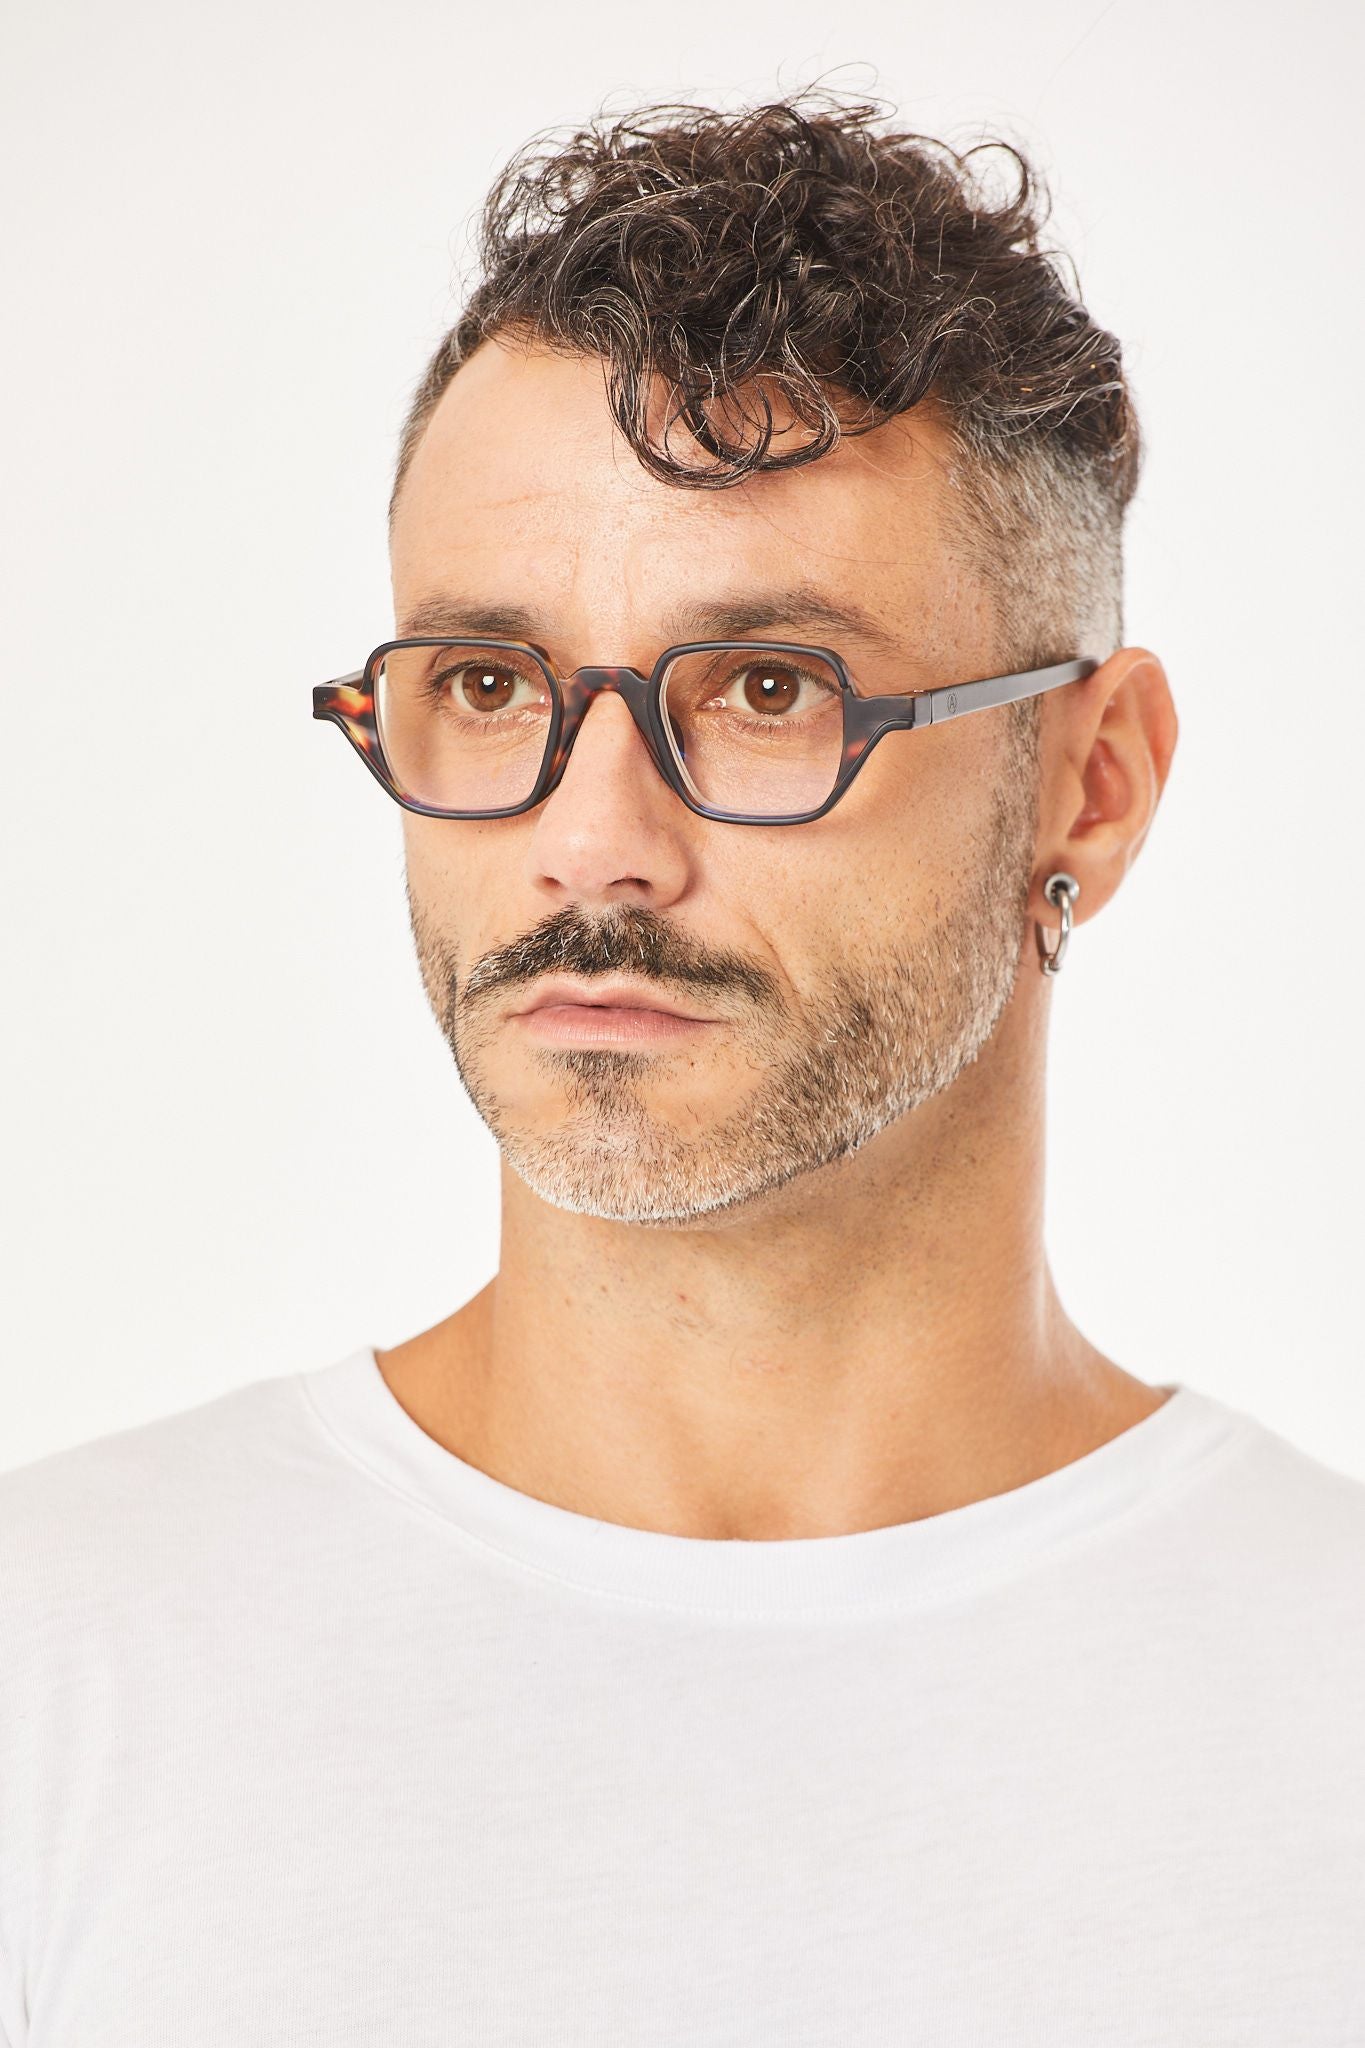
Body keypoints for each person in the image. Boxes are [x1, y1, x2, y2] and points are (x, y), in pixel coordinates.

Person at [2, 90, 1361, 2048]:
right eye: (489, 687)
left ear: (1090, 781)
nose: (590, 845)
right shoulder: (56, 1670)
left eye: (767, 689)